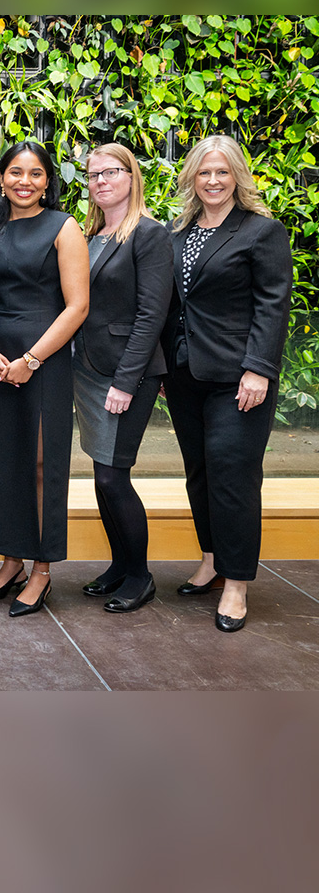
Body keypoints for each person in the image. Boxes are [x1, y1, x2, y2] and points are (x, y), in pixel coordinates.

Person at [161, 135, 292, 632]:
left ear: (238, 175)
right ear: (191, 177)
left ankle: (236, 584)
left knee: (233, 476)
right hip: (184, 373)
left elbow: (273, 304)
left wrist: (259, 367)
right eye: (204, 172)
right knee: (199, 471)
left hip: (240, 377)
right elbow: (170, 306)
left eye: (222, 172)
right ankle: (212, 559)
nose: (213, 181)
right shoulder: (179, 232)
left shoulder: (261, 231)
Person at [0, 139, 89, 616]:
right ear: (1, 179)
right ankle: (10, 560)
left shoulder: (64, 227)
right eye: (15, 172)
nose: (24, 181)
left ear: (47, 182)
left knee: (40, 464)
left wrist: (30, 360)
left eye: (35, 173)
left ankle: (41, 569)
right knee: (1, 461)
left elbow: (78, 307)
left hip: (45, 361)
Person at [74, 144, 172, 613]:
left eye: (110, 172)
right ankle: (118, 566)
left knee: (114, 477)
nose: (100, 182)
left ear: (132, 177)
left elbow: (152, 315)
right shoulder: (92, 234)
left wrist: (126, 382)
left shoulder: (149, 235)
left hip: (124, 373)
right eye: (92, 175)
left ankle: (139, 575)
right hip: (88, 369)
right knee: (101, 475)